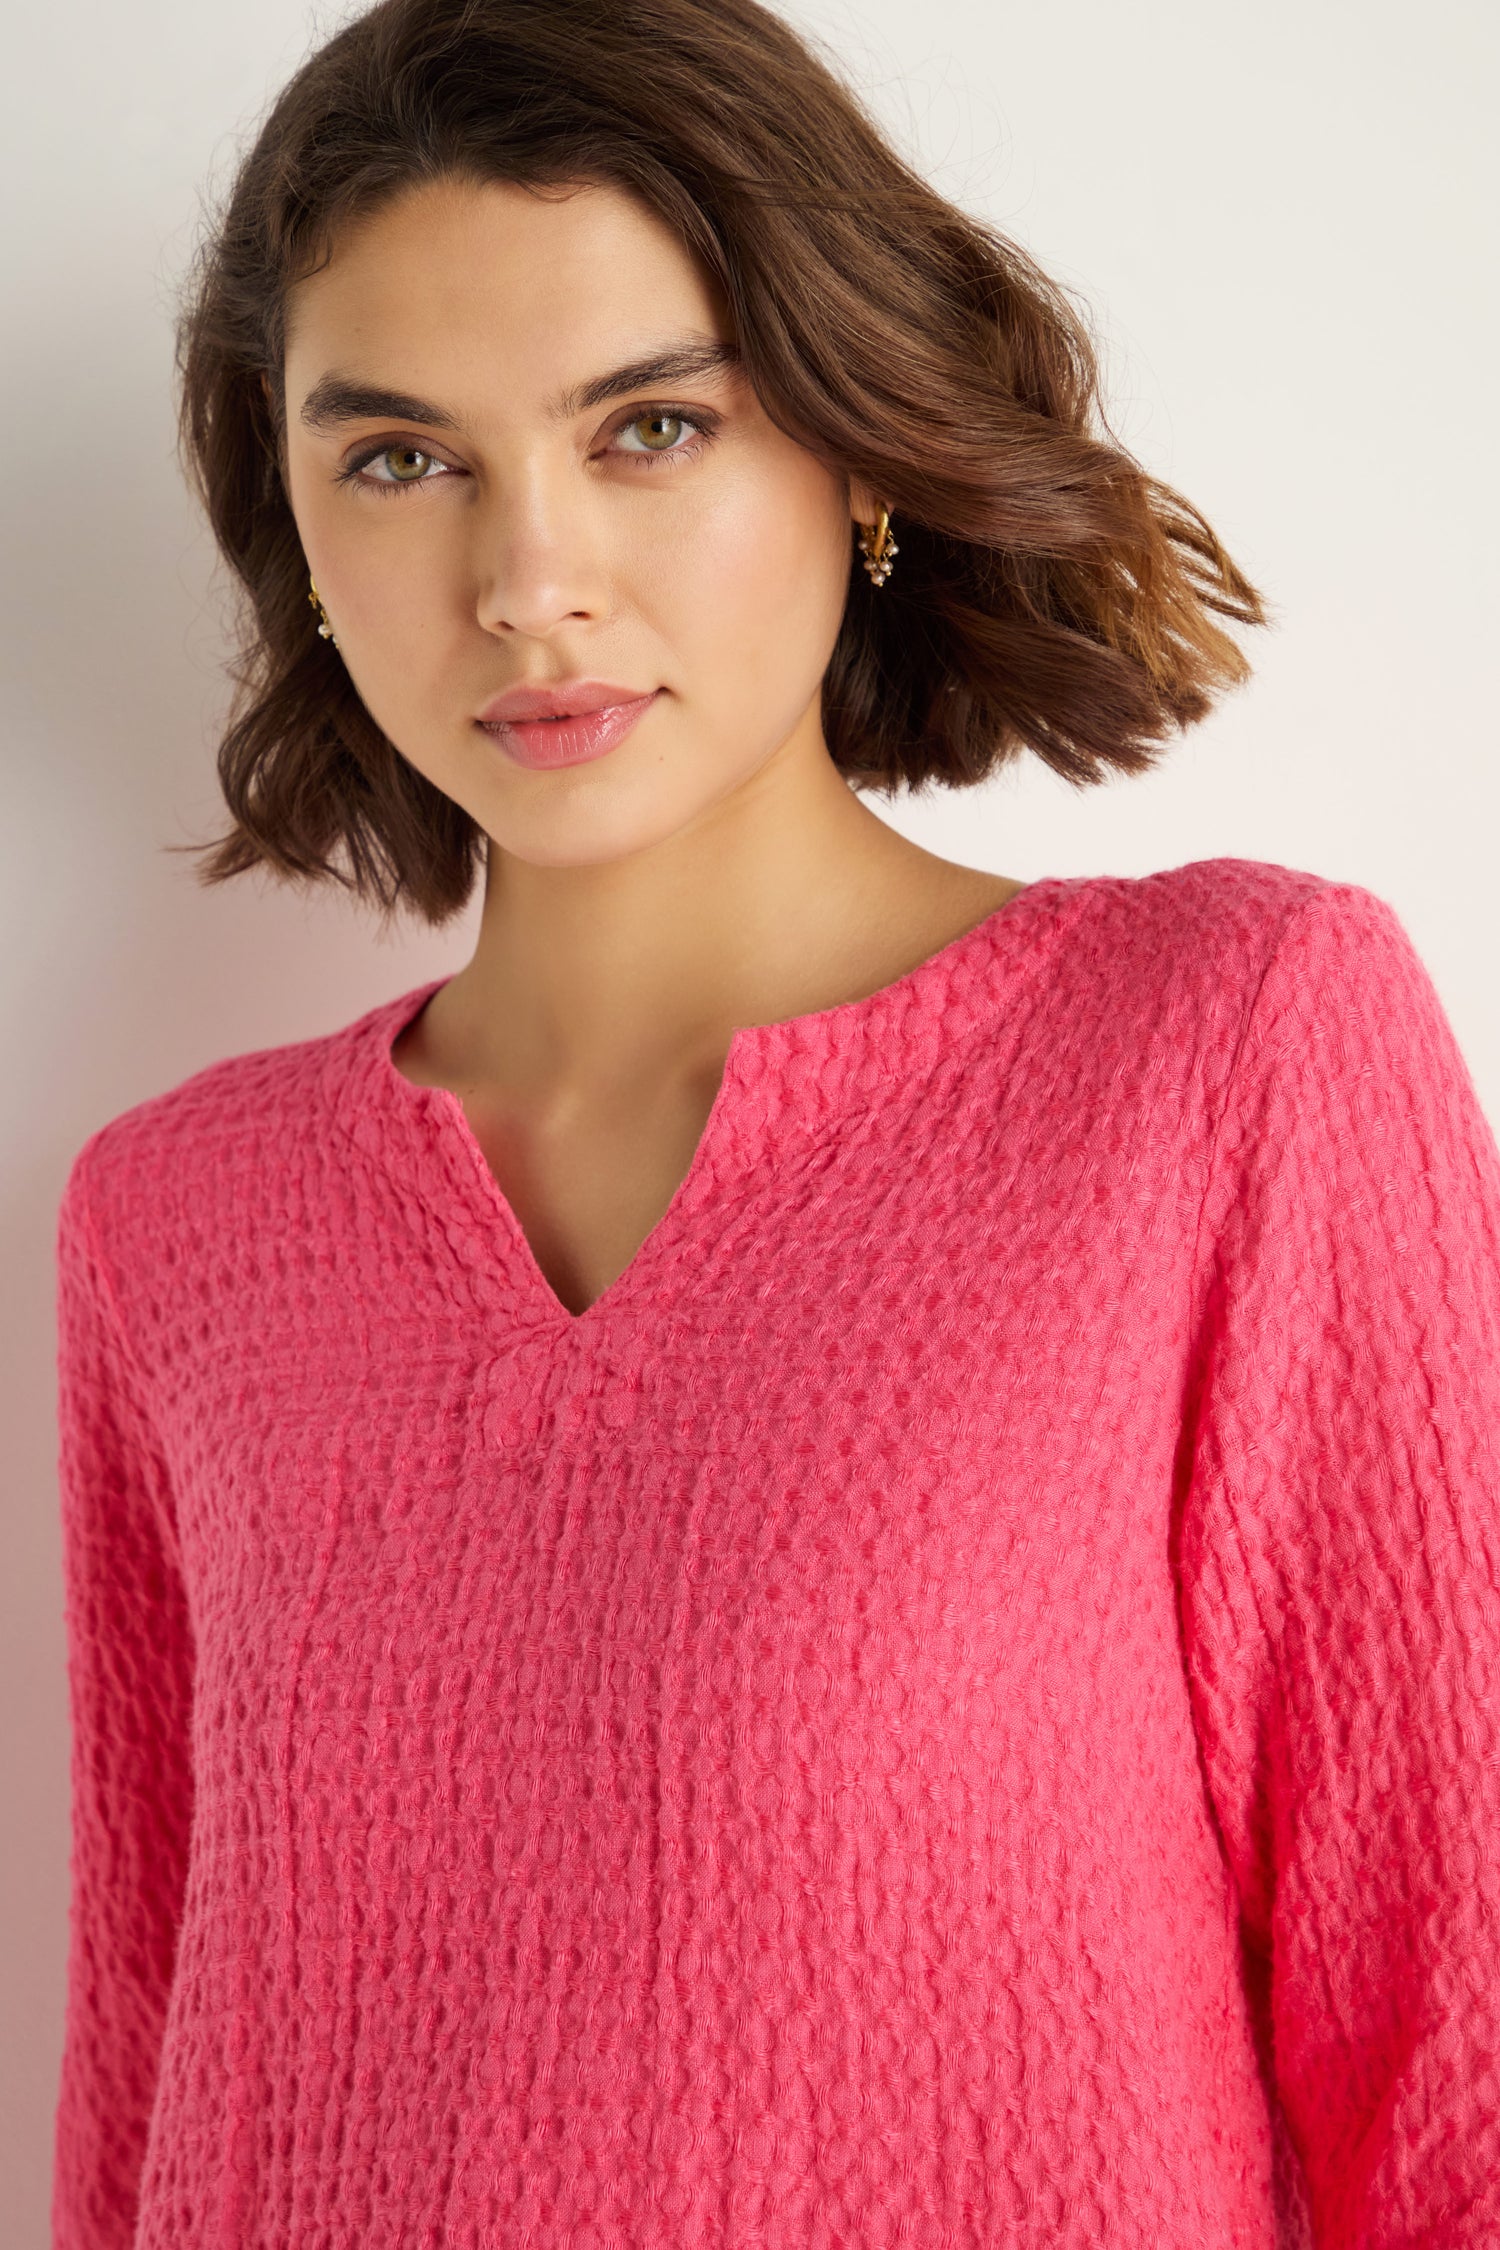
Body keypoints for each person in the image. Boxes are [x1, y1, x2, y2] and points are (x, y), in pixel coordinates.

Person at [50, 0, 1500, 2243]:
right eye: (402, 457)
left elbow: (1460, 2037)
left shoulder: (1223, 1055)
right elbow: (155, 2082)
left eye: (647, 425)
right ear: (299, 532)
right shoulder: (177, 1224)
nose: (529, 578)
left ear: (856, 448)